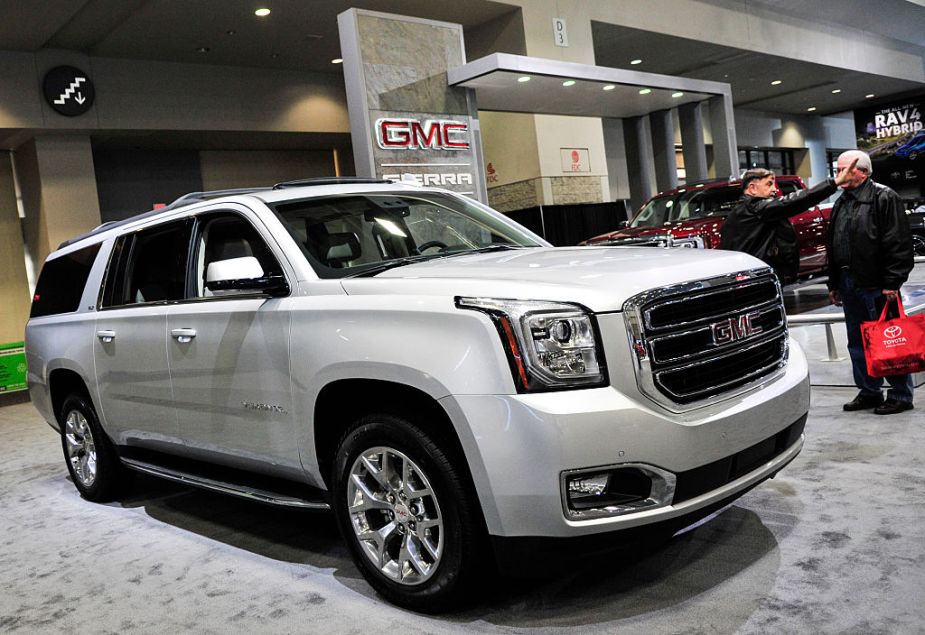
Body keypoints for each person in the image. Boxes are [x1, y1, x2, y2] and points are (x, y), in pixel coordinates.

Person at [827, 149, 915, 415]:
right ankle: (869, 391)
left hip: (878, 284)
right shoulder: (842, 201)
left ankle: (901, 394)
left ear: (862, 171)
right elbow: (835, 244)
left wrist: (892, 281)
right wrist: (834, 283)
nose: (838, 174)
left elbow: (898, 242)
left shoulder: (884, 196)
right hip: (848, 282)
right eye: (837, 168)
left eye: (844, 168)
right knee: (856, 341)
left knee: (890, 340)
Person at [720, 164, 854, 284]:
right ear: (752, 188)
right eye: (769, 184)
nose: (774, 189)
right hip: (760, 276)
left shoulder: (737, 214)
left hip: (752, 275)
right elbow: (796, 200)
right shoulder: (757, 208)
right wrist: (834, 183)